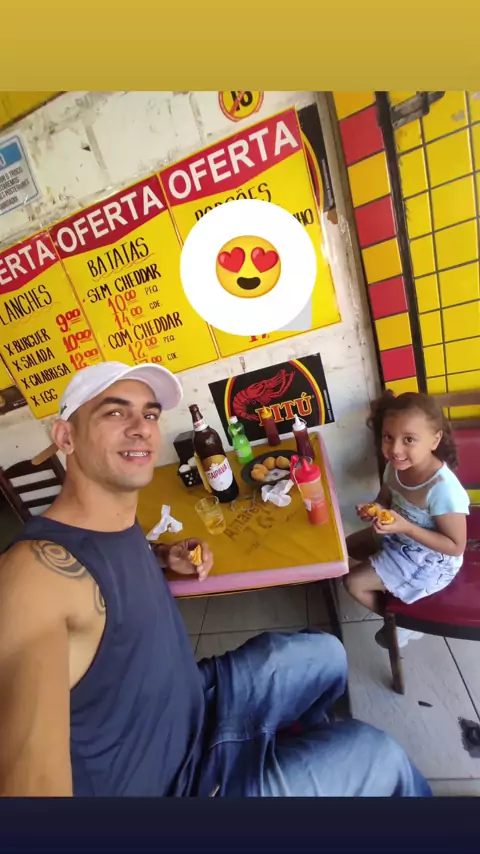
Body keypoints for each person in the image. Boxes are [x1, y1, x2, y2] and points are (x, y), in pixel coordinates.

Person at [0, 362, 431, 797]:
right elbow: (29, 784)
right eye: (114, 412)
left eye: (149, 414)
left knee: (324, 653)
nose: (142, 428)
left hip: (193, 701)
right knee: (377, 757)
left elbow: (113, 562)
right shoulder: (34, 575)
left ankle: (292, 755)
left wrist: (164, 555)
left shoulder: (112, 518)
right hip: (176, 783)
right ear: (65, 437)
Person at [345, 390, 469, 648]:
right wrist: (374, 508)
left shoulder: (443, 489)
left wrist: (407, 528)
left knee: (353, 583)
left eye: (409, 439)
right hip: (400, 535)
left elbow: (455, 546)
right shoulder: (395, 466)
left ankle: (403, 623)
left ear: (434, 440)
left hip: (431, 560)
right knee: (344, 548)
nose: (395, 449)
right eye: (388, 437)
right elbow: (384, 499)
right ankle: (392, 590)